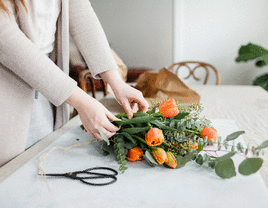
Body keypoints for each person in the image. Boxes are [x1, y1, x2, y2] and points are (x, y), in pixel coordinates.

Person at [0, 0, 149, 166]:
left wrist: (117, 82)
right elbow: (6, 39)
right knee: (12, 172)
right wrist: (82, 101)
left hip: (49, 83)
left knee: (44, 162)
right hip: (8, 86)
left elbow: (80, 12)